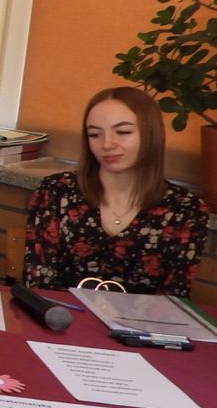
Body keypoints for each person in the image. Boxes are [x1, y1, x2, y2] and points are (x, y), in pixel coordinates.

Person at [24, 86, 209, 295]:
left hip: (142, 317)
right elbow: (38, 284)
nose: (107, 144)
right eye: (95, 134)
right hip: (60, 313)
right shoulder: (56, 191)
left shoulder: (185, 209)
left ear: (151, 134)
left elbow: (173, 298)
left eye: (123, 132)